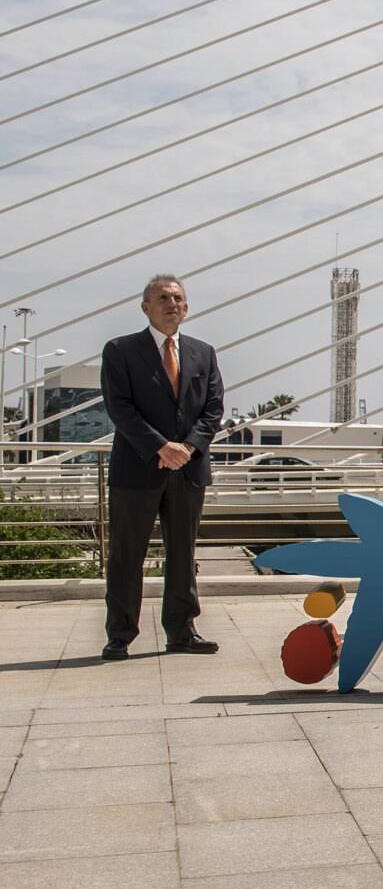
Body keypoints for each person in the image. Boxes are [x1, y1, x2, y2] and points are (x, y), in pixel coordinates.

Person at [100, 274, 226, 659]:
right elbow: (119, 406)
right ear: (146, 307)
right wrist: (159, 446)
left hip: (187, 469)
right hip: (137, 468)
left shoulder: (203, 352)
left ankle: (182, 631)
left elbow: (213, 408)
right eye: (163, 297)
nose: (172, 303)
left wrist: (187, 446)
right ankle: (120, 635)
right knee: (126, 554)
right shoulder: (120, 350)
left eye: (178, 298)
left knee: (183, 553)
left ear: (186, 307)